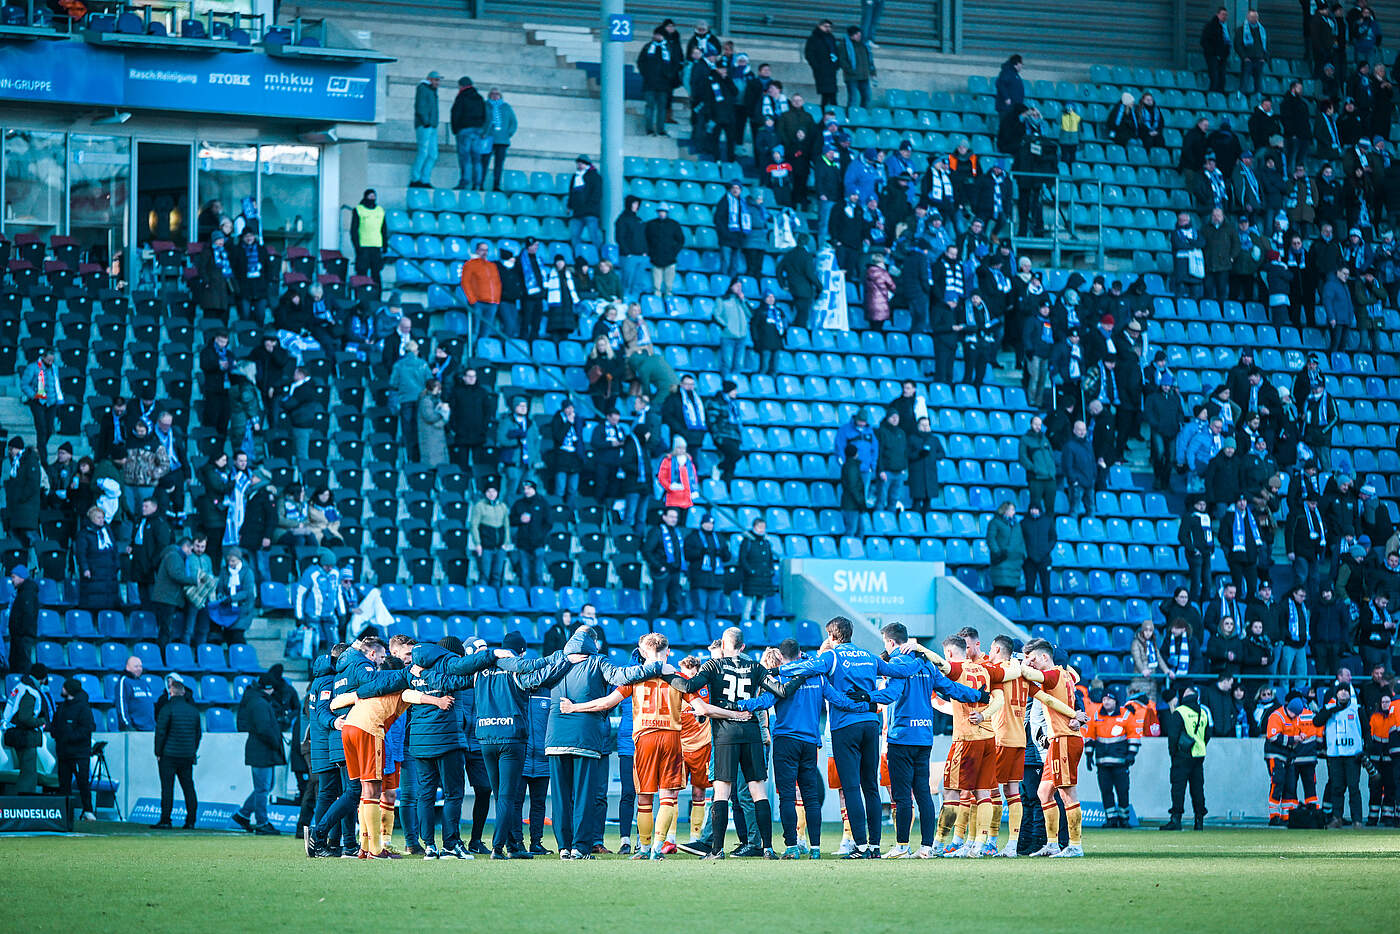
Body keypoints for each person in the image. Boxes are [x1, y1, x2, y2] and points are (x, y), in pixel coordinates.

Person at [152, 676, 201, 828]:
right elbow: (198, 734)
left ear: (171, 692)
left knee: (167, 788)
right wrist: (192, 751)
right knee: (188, 787)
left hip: (168, 755)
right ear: (183, 692)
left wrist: (158, 752)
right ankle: (191, 821)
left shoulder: (167, 709)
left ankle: (166, 820)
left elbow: (160, 732)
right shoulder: (193, 711)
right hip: (187, 755)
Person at [1160, 684, 1211, 831]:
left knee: (1178, 788)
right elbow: (1207, 735)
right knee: (1198, 788)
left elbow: (1173, 736)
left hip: (1182, 755)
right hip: (1199, 755)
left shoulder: (1180, 712)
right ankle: (1199, 821)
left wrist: (1173, 753)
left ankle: (1176, 819)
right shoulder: (1203, 712)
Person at [1315, 683, 1366, 826]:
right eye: (1340, 691)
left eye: (1346, 691)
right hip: (1335, 754)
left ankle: (1357, 820)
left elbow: (1366, 729)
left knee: (1353, 787)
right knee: (1337, 787)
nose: (1343, 693)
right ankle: (1337, 817)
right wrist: (1333, 709)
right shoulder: (1329, 708)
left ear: (1350, 694)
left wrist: (1366, 749)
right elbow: (1316, 721)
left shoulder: (1357, 709)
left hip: (1353, 755)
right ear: (1336, 694)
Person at [1, 668, 48, 794]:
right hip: (25, 737)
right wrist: (41, 721)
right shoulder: (30, 692)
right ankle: (25, 801)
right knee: (28, 773)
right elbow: (25, 718)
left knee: (25, 772)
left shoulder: (20, 687)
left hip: (15, 733)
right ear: (42, 679)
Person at [645, 507, 687, 619]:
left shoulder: (677, 532)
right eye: (671, 517)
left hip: (675, 572)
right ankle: (651, 627)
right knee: (657, 601)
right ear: (664, 517)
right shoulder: (656, 531)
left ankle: (668, 625)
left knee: (674, 602)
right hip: (662, 572)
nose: (674, 519)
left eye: (676, 517)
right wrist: (659, 566)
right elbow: (647, 551)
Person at [449, 76, 486, 190]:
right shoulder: (479, 97)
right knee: (477, 158)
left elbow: (455, 114)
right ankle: (477, 184)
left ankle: (465, 182)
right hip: (477, 130)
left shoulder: (461, 97)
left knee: (465, 158)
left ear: (461, 85)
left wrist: (455, 129)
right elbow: (485, 114)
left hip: (464, 130)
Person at [644, 203, 685, 301]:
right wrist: (650, 252)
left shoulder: (674, 225)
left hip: (670, 260)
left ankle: (668, 301)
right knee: (656, 286)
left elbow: (680, 240)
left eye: (663, 211)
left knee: (669, 286)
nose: (662, 213)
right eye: (660, 211)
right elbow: (646, 240)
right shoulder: (651, 225)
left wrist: (674, 252)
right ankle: (657, 301)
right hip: (655, 259)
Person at [409, 70, 443, 188]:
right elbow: (420, 106)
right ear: (430, 79)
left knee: (433, 154)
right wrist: (426, 121)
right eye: (436, 80)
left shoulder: (431, 90)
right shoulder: (423, 88)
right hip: (425, 125)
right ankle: (415, 178)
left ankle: (425, 179)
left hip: (431, 125)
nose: (438, 83)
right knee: (423, 152)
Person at [349, 188, 386, 291]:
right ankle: (361, 293)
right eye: (370, 196)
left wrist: (385, 245)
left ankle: (377, 293)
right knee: (362, 271)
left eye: (374, 196)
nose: (372, 198)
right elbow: (354, 230)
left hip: (376, 246)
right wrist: (357, 246)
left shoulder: (380, 210)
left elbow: (384, 229)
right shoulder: (359, 210)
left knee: (376, 272)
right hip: (363, 246)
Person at [566, 155, 603, 258]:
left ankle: (600, 257)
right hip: (578, 212)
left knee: (594, 236)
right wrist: (569, 206)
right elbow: (571, 193)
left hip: (590, 212)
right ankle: (577, 257)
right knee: (574, 236)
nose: (579, 165)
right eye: (578, 163)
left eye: (581, 163)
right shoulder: (575, 177)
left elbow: (597, 194)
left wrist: (589, 205)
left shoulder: (595, 176)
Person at [481, 88, 517, 192]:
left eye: (497, 94)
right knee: (484, 163)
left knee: (499, 164)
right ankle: (480, 183)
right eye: (492, 94)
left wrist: (508, 133)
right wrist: (482, 132)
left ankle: (496, 185)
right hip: (488, 139)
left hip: (502, 141)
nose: (495, 96)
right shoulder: (485, 106)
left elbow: (513, 122)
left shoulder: (506, 107)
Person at [6, 565, 39, 675]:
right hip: (19, 636)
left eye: (13, 577)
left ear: (21, 577)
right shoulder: (22, 592)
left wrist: (20, 632)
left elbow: (27, 616)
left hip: (23, 636)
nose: (12, 580)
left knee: (22, 666)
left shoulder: (27, 593)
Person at [835, 26, 875, 109]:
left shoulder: (863, 45)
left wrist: (872, 72)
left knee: (867, 97)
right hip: (852, 77)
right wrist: (851, 71)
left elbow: (869, 59)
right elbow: (842, 61)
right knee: (853, 99)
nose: (859, 36)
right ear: (851, 36)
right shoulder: (844, 46)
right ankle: (850, 114)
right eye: (857, 35)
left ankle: (862, 113)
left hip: (864, 76)